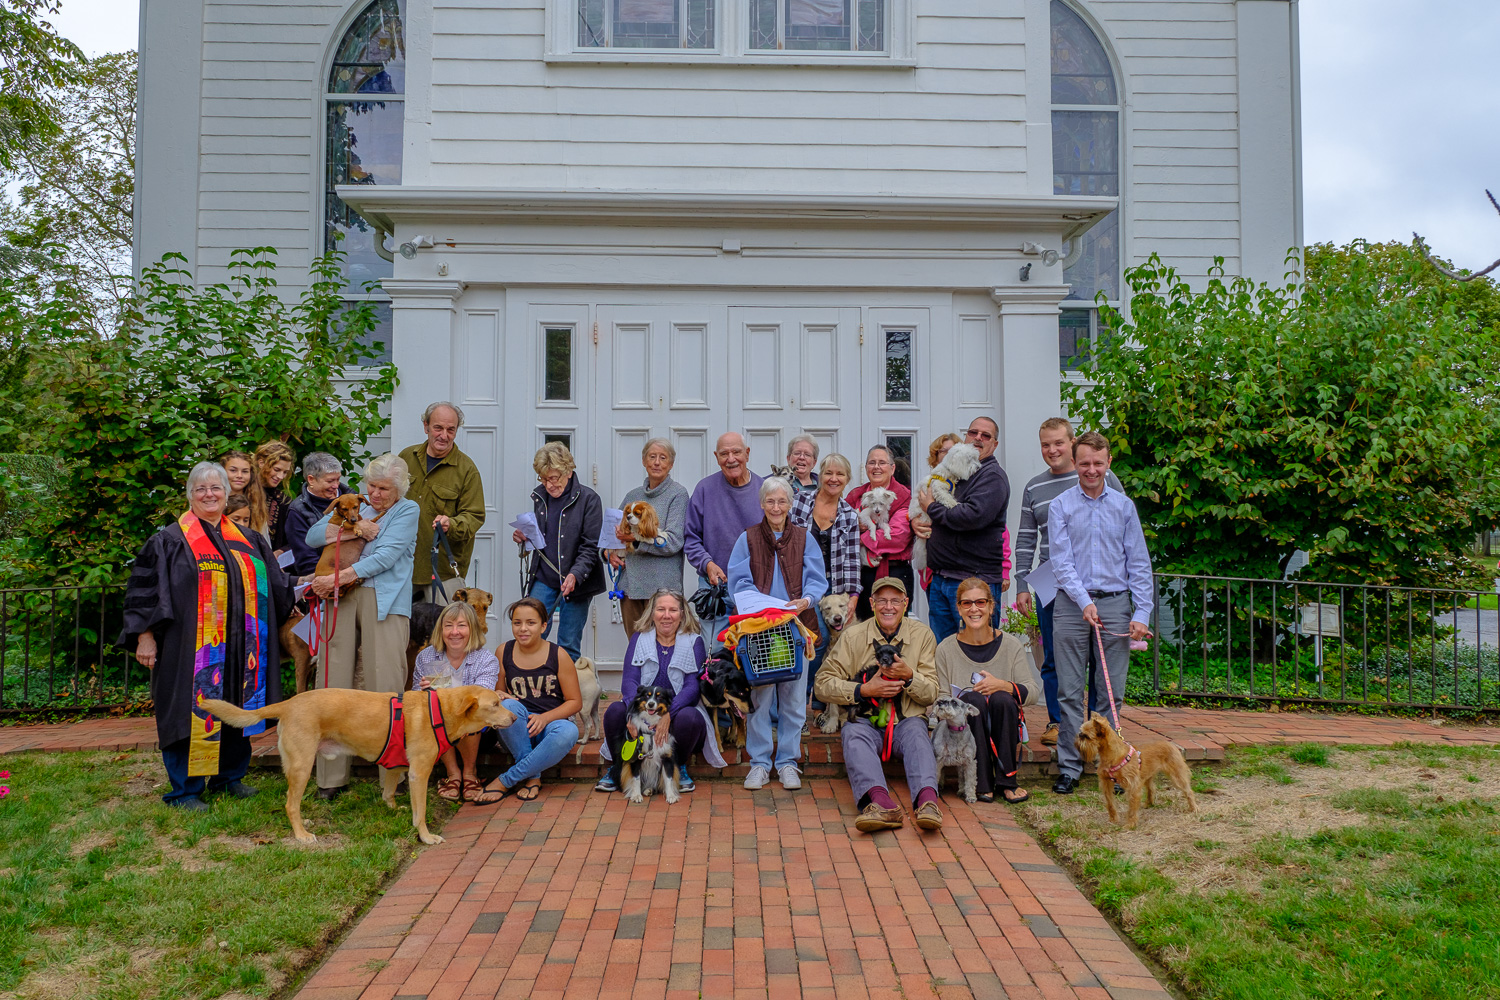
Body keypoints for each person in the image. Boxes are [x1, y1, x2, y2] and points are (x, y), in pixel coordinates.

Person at [119, 462, 293, 810]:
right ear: (190, 495)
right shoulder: (169, 540)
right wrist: (145, 636)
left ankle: (229, 777)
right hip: (188, 648)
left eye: (216, 488)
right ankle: (185, 790)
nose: (209, 494)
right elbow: (146, 592)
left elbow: (277, 586)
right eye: (201, 489)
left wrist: (303, 596)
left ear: (227, 493)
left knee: (237, 706)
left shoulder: (248, 539)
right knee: (188, 710)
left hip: (244, 646)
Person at [304, 452, 420, 800]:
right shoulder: (357, 506)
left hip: (383, 600)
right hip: (342, 597)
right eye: (372, 485)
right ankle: (330, 778)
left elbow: (386, 555)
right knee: (332, 682)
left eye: (384, 488)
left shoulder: (407, 511)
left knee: (385, 684)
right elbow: (312, 537)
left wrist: (338, 577)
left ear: (398, 489)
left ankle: (392, 777)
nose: (377, 494)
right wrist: (356, 525)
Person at [1047, 431, 1154, 795]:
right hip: (1070, 605)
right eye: (1084, 463)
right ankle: (1070, 766)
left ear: (1108, 463)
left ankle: (1111, 766)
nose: (1091, 470)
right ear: (1074, 464)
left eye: (1098, 463)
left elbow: (1138, 562)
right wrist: (1083, 601)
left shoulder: (1124, 507)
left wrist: (1142, 612)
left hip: (1115, 603)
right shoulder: (1061, 505)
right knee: (1070, 691)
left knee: (1110, 694)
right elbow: (1060, 562)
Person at [1013, 418, 1124, 746]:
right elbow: (1025, 539)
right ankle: (1057, 722)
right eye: (1045, 444)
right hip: (1050, 579)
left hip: (1095, 578)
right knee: (1053, 656)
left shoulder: (1098, 475)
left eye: (1058, 443)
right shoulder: (1034, 487)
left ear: (1073, 444)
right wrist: (1022, 584)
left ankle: (1096, 726)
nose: (1052, 450)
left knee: (1095, 655)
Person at [813, 577, 942, 832]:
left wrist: (909, 676)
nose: (888, 607)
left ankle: (928, 803)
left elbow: (931, 694)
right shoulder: (852, 636)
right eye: (881, 600)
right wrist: (862, 690)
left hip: (907, 720)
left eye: (895, 600)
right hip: (865, 719)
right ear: (871, 604)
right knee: (852, 733)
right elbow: (822, 683)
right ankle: (880, 805)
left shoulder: (923, 635)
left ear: (906, 604)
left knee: (918, 736)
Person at [726, 477, 828, 790]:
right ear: (761, 504)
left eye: (782, 501)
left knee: (795, 700)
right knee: (760, 697)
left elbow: (816, 578)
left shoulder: (804, 537)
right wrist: (753, 604)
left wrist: (807, 600)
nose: (776, 507)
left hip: (797, 629)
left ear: (791, 504)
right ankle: (758, 763)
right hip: (760, 631)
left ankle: (786, 763)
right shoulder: (747, 538)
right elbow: (738, 581)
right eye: (770, 501)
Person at [934, 578, 1040, 803]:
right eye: (966, 603)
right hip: (965, 732)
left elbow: (1032, 692)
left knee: (1001, 698)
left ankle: (1007, 780)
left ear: (991, 607)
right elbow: (941, 697)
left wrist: (1003, 685)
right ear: (959, 608)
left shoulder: (1011, 645)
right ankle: (981, 782)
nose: (974, 609)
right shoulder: (945, 649)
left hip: (1004, 720)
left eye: (980, 602)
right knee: (973, 699)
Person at [596, 588, 711, 794]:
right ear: (652, 613)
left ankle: (679, 767)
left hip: (677, 712)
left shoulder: (694, 641)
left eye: (673, 610)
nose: (666, 615)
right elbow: (629, 681)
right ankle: (618, 768)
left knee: (691, 718)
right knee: (615, 711)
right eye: (661, 609)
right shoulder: (639, 639)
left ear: (682, 614)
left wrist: (667, 714)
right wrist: (634, 714)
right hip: (642, 712)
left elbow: (692, 688)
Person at [474, 597, 583, 803]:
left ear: (543, 626)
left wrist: (544, 718)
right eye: (517, 623)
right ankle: (532, 777)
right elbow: (499, 692)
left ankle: (506, 780)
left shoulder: (558, 655)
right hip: (517, 731)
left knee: (569, 731)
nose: (523, 629)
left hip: (550, 729)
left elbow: (575, 702)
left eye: (530, 623)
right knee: (506, 706)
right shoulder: (503, 651)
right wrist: (499, 694)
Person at [918, 417, 1011, 643]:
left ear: (994, 444)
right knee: (945, 654)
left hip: (974, 582)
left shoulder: (992, 477)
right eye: (973, 432)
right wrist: (920, 518)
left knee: (977, 652)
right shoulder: (958, 472)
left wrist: (931, 507)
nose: (978, 438)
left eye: (986, 435)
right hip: (942, 579)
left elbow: (970, 517)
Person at [514, 443, 605, 662]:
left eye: (554, 478)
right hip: (544, 576)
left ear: (568, 471)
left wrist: (575, 575)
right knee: (531, 633)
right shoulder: (540, 497)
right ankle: (531, 688)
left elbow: (590, 546)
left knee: (568, 642)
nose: (549, 484)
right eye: (544, 479)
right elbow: (543, 538)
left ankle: (566, 695)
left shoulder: (589, 499)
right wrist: (524, 538)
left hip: (578, 579)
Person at [411, 601, 501, 803]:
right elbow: (415, 700)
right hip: (440, 729)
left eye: (462, 625)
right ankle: (453, 774)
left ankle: (470, 773)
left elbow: (482, 697)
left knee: (471, 710)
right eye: (448, 625)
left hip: (479, 732)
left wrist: (442, 693)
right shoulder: (427, 656)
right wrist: (424, 692)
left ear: (472, 629)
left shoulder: (485, 659)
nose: (454, 632)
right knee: (432, 709)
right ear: (440, 629)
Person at [789, 453, 860, 704]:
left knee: (829, 642)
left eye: (840, 474)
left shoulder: (849, 515)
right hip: (802, 584)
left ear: (847, 479)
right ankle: (802, 700)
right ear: (821, 476)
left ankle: (816, 701)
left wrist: (853, 596)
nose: (834, 478)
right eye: (829, 473)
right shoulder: (800, 502)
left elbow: (852, 558)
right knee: (815, 640)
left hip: (834, 587)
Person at [683, 432, 765, 642]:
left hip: (755, 587)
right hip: (715, 586)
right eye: (724, 454)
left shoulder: (765, 491)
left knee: (753, 652)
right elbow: (691, 539)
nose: (731, 459)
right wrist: (707, 563)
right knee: (715, 651)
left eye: (736, 452)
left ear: (747, 454)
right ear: (716, 457)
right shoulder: (704, 489)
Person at [401, 401, 486, 603]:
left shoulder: (467, 470)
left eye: (451, 429)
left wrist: (452, 524)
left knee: (445, 632)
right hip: (402, 567)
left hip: (443, 573)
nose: (444, 435)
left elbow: (475, 516)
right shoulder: (406, 457)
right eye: (438, 427)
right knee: (402, 631)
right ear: (426, 426)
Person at [609, 438, 690, 637]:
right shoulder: (632, 495)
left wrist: (635, 541)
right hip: (630, 586)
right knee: (635, 645)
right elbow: (613, 532)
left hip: (663, 590)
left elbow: (674, 542)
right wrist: (609, 553)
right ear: (644, 461)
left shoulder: (678, 495)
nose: (656, 462)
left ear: (670, 464)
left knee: (664, 647)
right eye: (652, 457)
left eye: (663, 458)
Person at [846, 445, 913, 621]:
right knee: (863, 628)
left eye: (882, 462)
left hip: (894, 572)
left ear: (892, 468)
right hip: (861, 574)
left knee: (893, 628)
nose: (876, 467)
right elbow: (841, 530)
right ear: (866, 468)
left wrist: (859, 538)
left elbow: (897, 537)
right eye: (872, 463)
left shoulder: (903, 496)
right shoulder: (856, 495)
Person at [285, 452, 353, 579]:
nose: (336, 485)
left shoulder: (352, 497)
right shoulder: (298, 511)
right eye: (330, 481)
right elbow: (306, 561)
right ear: (311, 479)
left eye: (338, 479)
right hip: (327, 580)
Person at [253, 441, 296, 553]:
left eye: (285, 472)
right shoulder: (243, 493)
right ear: (261, 463)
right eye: (277, 470)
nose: (281, 476)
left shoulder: (283, 501)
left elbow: (293, 539)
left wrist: (281, 551)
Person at [221, 450, 268, 539]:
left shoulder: (256, 504)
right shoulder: (211, 501)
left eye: (245, 471)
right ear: (222, 471)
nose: (239, 475)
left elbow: (263, 541)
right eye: (233, 470)